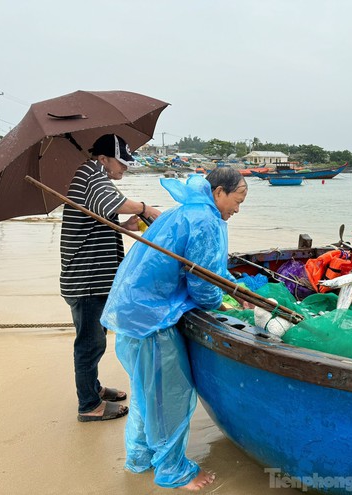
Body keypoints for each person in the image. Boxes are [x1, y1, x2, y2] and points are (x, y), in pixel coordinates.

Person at [100, 168, 248, 491]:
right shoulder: (206, 221)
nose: (237, 209)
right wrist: (223, 302)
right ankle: (173, 470)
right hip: (152, 317)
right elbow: (204, 284)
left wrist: (230, 288)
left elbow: (208, 269)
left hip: (132, 309)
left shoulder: (186, 211)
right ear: (219, 193)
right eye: (237, 200)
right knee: (169, 394)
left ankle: (139, 458)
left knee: (144, 391)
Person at [61, 134, 161, 422]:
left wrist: (124, 226)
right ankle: (89, 406)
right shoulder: (90, 173)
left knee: (95, 338)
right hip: (86, 279)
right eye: (122, 162)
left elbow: (98, 218)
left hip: (90, 277)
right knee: (90, 343)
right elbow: (113, 201)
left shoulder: (92, 177)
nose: (125, 168)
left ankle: (92, 388)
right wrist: (144, 209)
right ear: (103, 159)